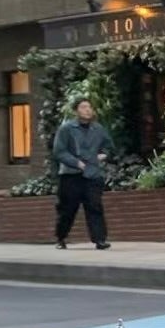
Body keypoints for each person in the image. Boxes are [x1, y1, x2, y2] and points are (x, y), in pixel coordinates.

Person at [52, 96, 113, 251]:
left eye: (89, 107)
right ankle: (61, 237)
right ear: (76, 111)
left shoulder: (98, 129)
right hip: (71, 175)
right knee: (68, 209)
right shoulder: (66, 128)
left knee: (95, 206)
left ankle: (100, 239)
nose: (87, 110)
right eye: (83, 107)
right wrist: (75, 162)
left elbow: (108, 146)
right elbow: (59, 151)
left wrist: (104, 154)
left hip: (92, 174)